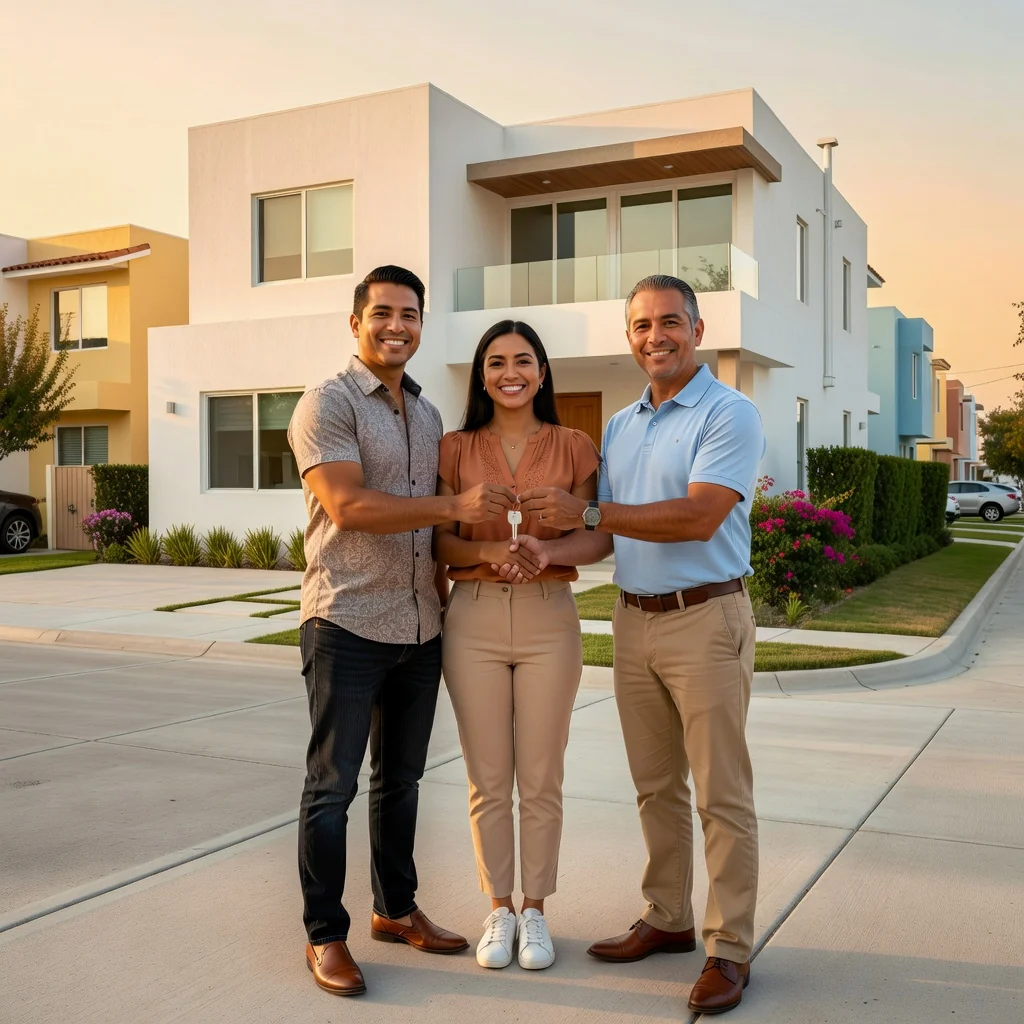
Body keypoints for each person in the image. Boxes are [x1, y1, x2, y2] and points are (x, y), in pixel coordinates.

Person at [504, 275, 765, 1016]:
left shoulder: (728, 413)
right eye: (644, 325)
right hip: (633, 620)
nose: (657, 336)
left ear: (698, 329)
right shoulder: (621, 425)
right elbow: (604, 534)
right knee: (656, 787)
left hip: (705, 618)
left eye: (671, 322)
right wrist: (546, 552)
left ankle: (729, 948)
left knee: (721, 794)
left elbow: (698, 516)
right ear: (629, 337)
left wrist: (589, 511)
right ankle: (669, 916)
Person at [287, 266, 518, 997]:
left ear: (421, 323)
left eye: (410, 314)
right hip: (346, 620)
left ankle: (394, 909)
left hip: (420, 624)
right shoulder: (326, 402)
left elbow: (433, 535)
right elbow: (349, 506)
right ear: (356, 322)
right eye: (383, 313)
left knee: (402, 782)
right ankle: (325, 935)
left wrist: (472, 568)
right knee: (333, 787)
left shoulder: (426, 412)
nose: (397, 326)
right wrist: (456, 505)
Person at [434, 320, 600, 972]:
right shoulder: (453, 449)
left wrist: (548, 551)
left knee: (541, 775)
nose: (511, 373)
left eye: (523, 360)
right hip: (472, 618)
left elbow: (599, 533)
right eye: (497, 361)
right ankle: (498, 908)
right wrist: (485, 554)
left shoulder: (575, 446)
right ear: (481, 375)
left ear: (542, 371)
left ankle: (535, 911)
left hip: (548, 617)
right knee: (488, 778)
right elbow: (439, 540)